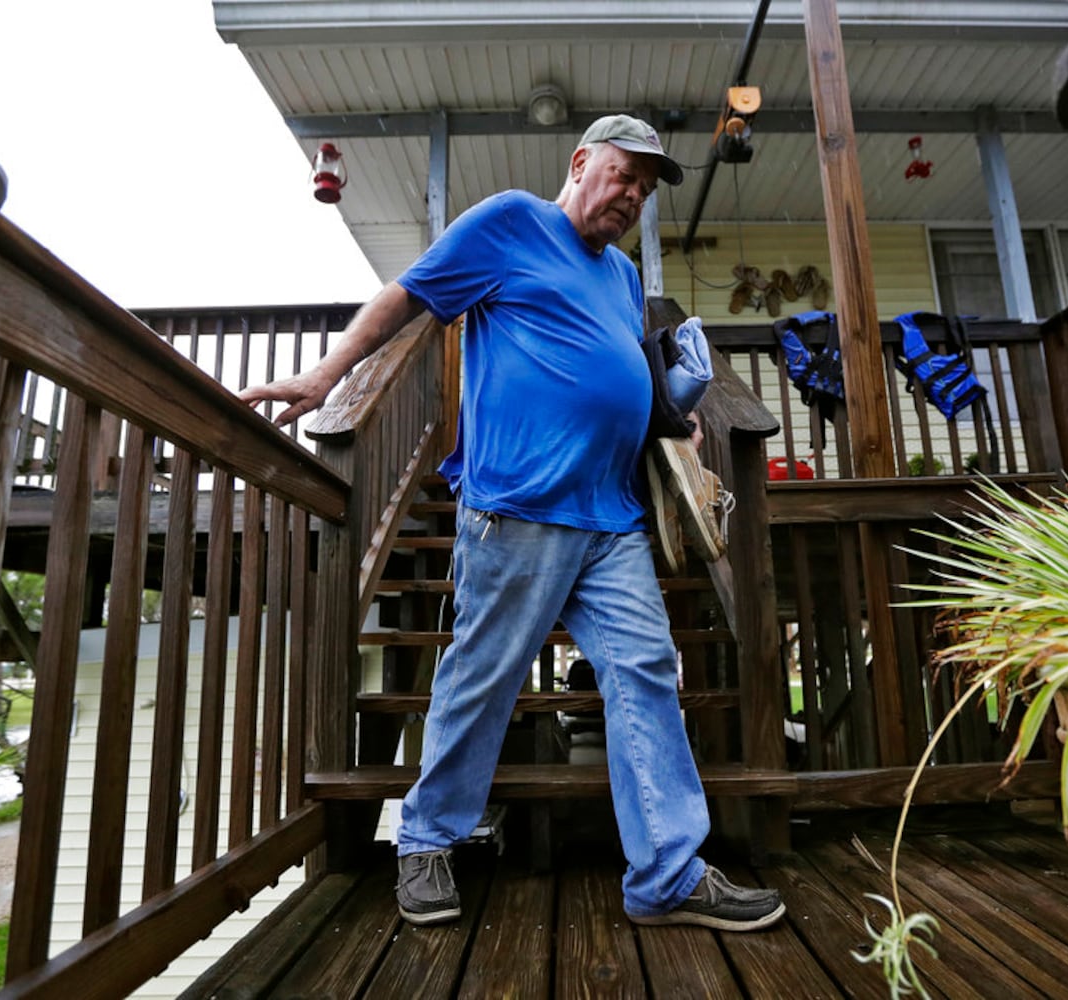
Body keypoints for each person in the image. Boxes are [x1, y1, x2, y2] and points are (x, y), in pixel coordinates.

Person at [240, 114, 784, 933]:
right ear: (578, 163)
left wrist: (672, 421)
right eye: (622, 175)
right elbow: (407, 297)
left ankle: (667, 875)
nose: (632, 195)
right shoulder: (509, 224)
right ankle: (426, 840)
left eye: (644, 188)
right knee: (481, 679)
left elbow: (621, 372)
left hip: (611, 518)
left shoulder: (621, 280)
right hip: (517, 508)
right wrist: (325, 373)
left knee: (645, 675)